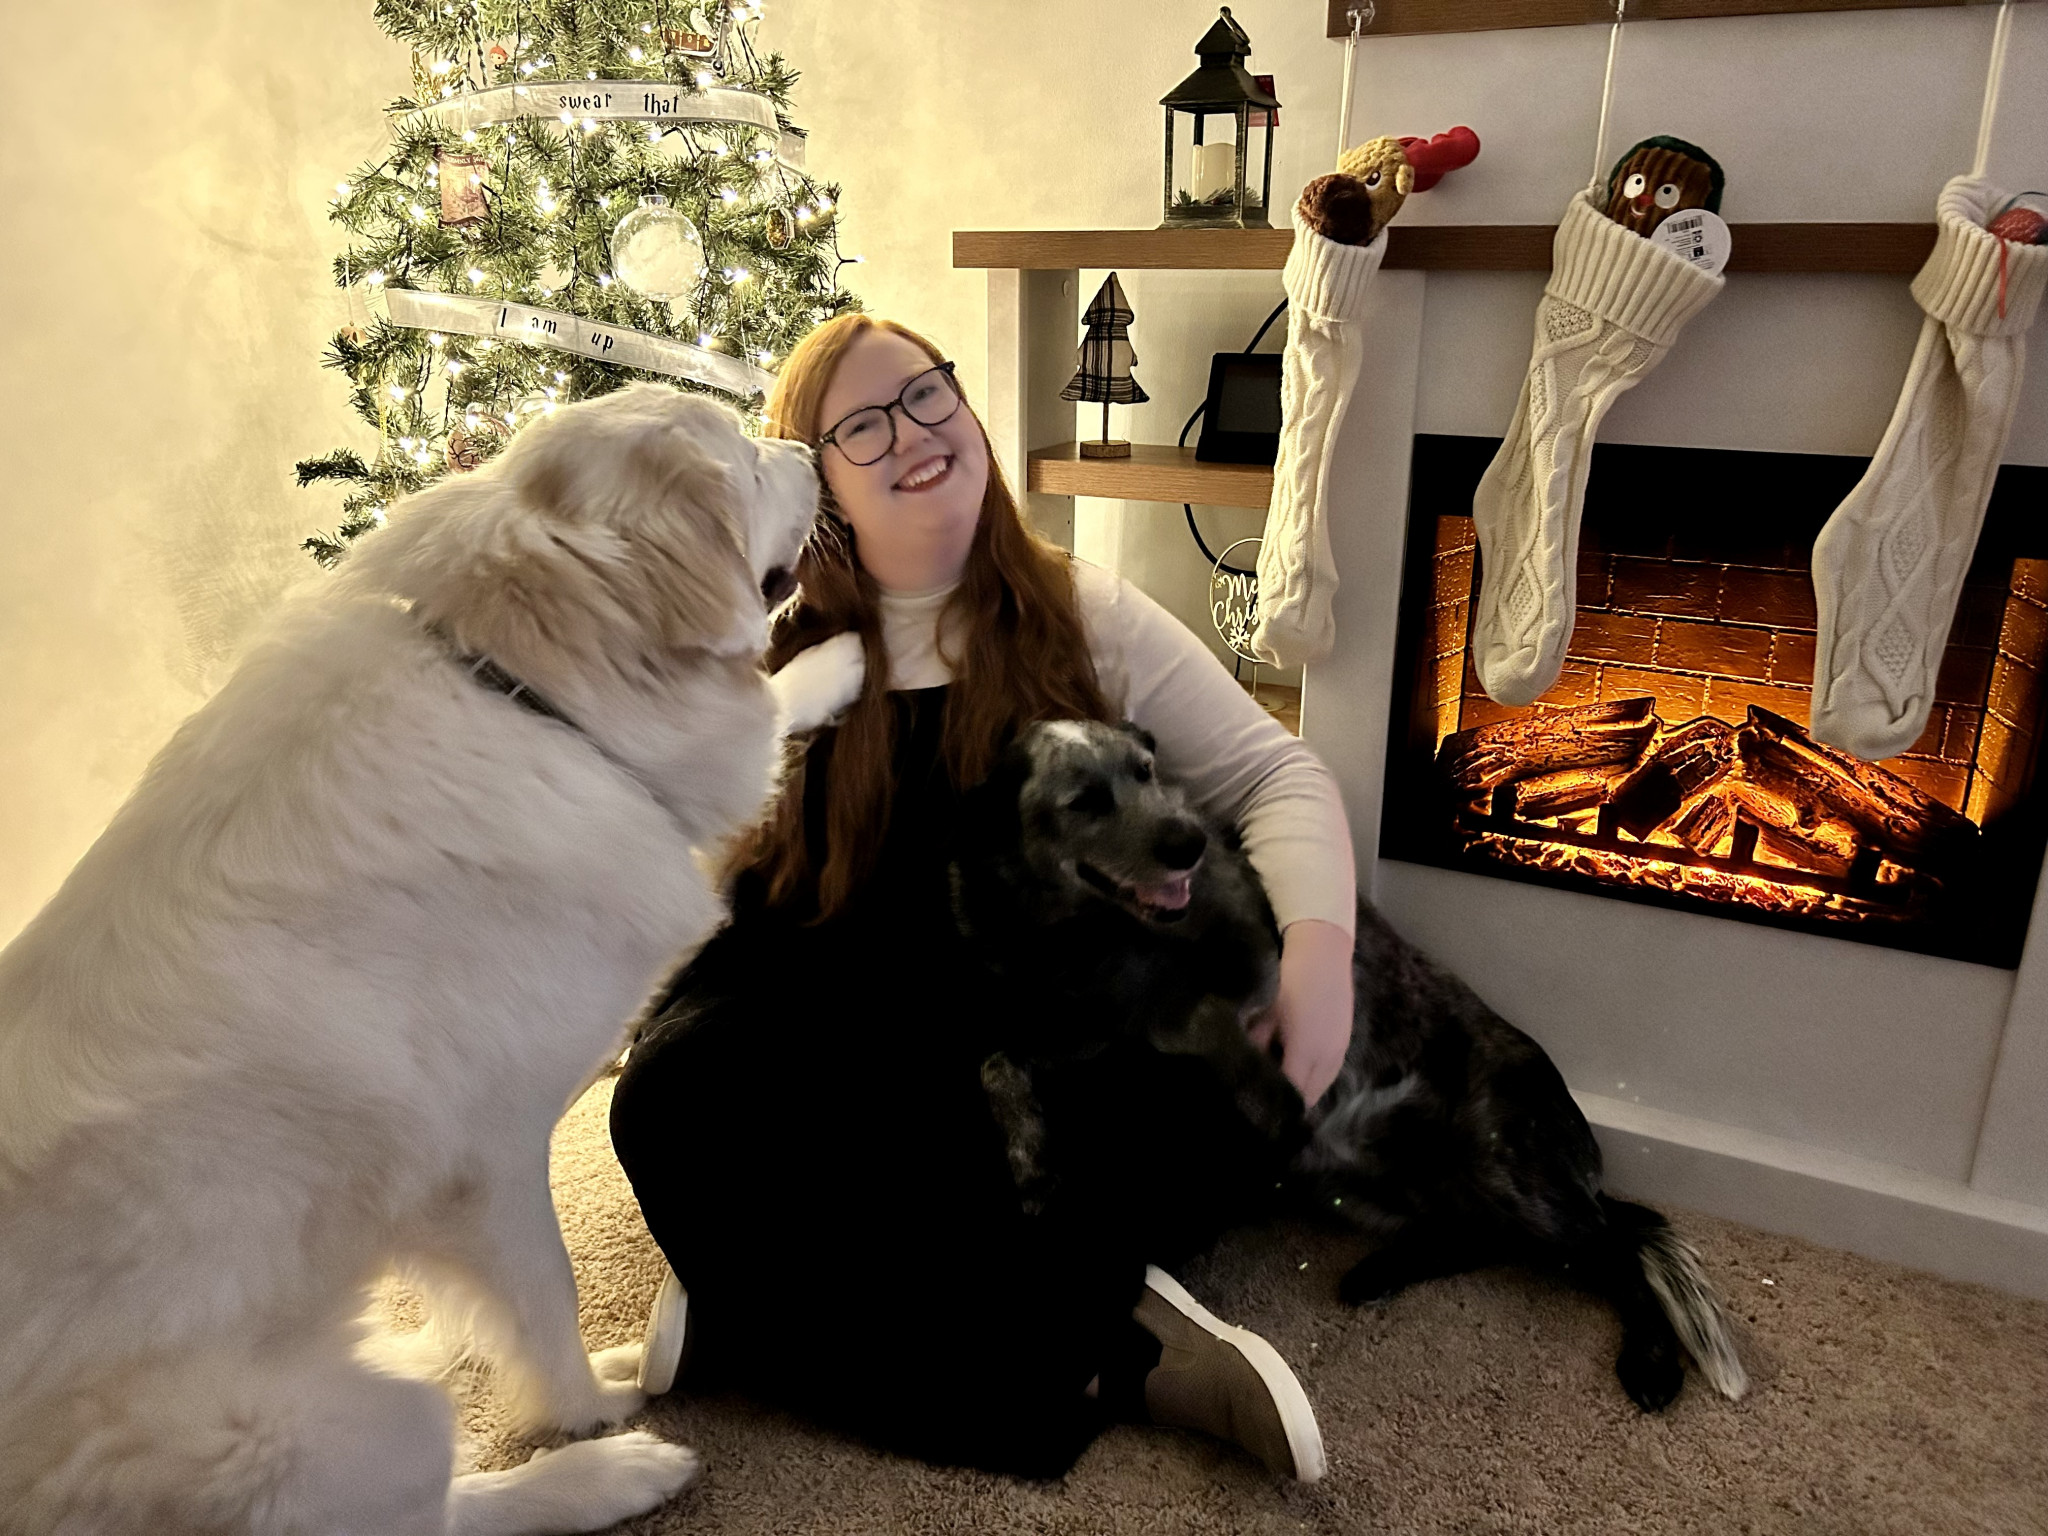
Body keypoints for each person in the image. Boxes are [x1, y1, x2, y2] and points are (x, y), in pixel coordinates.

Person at [609, 314, 1357, 1481]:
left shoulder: (1083, 610)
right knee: (668, 1097)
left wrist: (1319, 952)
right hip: (825, 976)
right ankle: (1108, 1341)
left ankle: (771, 1319)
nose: (911, 431)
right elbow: (688, 838)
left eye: (925, 394)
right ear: (820, 488)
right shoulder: (777, 648)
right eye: (862, 426)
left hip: (1029, 998)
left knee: (1064, 1128)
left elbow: (1276, 775)